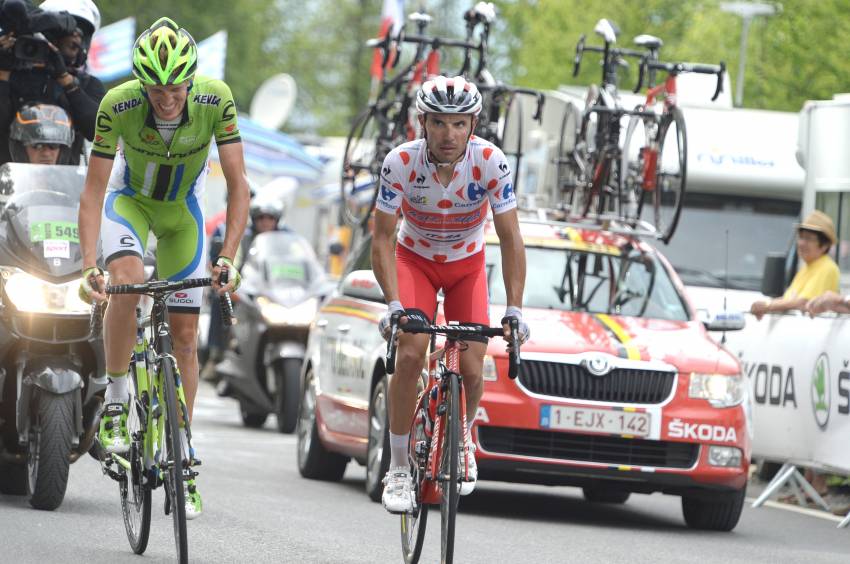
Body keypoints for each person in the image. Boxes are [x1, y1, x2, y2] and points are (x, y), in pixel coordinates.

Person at [76, 17, 250, 520]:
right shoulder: (119, 104)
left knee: (186, 335)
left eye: (175, 88)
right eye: (156, 90)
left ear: (191, 81)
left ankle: (182, 454)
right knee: (126, 284)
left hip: (182, 217)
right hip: (131, 204)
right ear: (142, 83)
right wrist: (91, 266)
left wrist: (228, 258)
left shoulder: (217, 99)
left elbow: (239, 185)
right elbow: (93, 192)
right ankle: (114, 402)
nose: (166, 99)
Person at [372, 75, 529, 513]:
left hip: (466, 266)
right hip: (414, 260)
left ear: (473, 124)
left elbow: (511, 238)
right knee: (410, 353)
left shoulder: (490, 162)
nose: (449, 134)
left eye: (459, 124)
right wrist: (393, 304)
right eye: (439, 123)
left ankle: (461, 440)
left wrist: (514, 308)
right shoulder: (400, 162)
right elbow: (383, 239)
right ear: (422, 122)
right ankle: (399, 469)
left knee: (475, 368)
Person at [0, 0, 104, 164]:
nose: (75, 37)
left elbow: (100, 133)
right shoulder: (12, 74)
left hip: (65, 186)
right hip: (9, 183)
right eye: (70, 31)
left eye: (79, 33)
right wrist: (3, 70)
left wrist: (65, 80)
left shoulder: (87, 84)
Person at [750, 210, 839, 320]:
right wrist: (766, 304)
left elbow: (804, 302)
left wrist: (768, 306)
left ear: (824, 245)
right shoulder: (807, 267)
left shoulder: (827, 267)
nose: (801, 243)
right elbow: (789, 299)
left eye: (808, 238)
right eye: (801, 237)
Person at [8, 102, 74, 164]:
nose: (46, 154)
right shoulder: (6, 175)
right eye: (38, 146)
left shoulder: (72, 176)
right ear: (22, 150)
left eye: (54, 145)